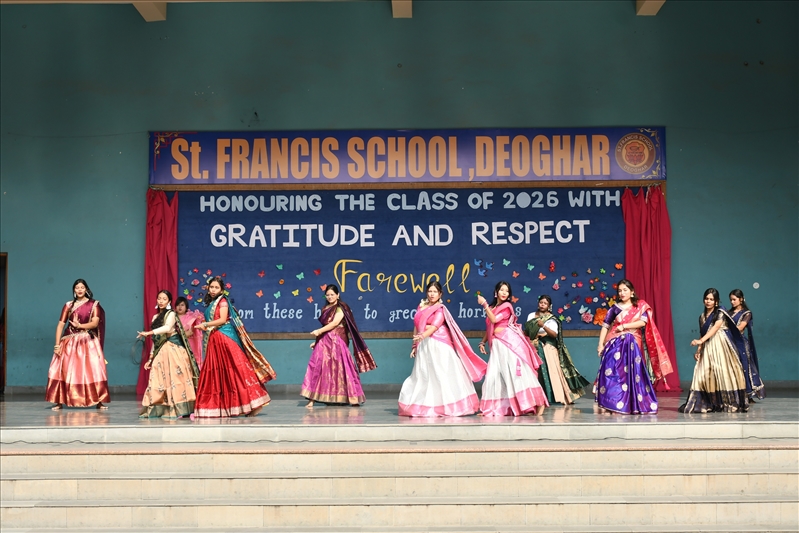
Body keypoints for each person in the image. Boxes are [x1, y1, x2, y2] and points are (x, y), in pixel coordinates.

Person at [398, 281, 487, 417]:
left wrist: (422, 335)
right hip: (424, 345)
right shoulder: (421, 307)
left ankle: (450, 406)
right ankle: (428, 405)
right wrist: (415, 345)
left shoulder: (440, 309)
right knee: (425, 376)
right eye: (430, 291)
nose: (432, 294)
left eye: (435, 292)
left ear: (440, 294)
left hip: (439, 345)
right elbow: (417, 325)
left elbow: (435, 326)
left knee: (441, 375)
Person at [193, 276, 276, 417]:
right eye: (211, 287)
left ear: (222, 290)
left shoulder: (223, 301)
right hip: (215, 340)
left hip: (225, 338)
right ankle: (226, 406)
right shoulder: (212, 303)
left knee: (238, 370)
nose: (213, 290)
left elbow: (222, 320)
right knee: (221, 374)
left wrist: (205, 324)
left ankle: (256, 403)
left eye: (216, 287)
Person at [595, 279, 672, 414]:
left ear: (632, 292)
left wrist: (624, 326)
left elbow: (643, 322)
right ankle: (612, 403)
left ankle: (630, 404)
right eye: (620, 290)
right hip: (614, 343)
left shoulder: (640, 306)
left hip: (632, 345)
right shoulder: (614, 308)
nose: (622, 293)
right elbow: (605, 326)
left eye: (625, 290)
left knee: (629, 374)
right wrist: (600, 345)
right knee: (612, 371)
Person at [477, 281, 548, 416]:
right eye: (502, 290)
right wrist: (482, 342)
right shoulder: (492, 307)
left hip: (509, 343)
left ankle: (539, 402)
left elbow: (494, 320)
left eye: (507, 291)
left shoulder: (506, 307)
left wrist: (484, 304)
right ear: (496, 292)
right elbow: (490, 326)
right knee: (493, 376)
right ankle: (491, 408)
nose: (504, 293)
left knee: (517, 375)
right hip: (497, 345)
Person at [302, 284, 376, 408]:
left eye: (332, 294)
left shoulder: (341, 308)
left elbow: (335, 323)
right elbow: (326, 327)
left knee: (343, 369)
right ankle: (312, 400)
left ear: (338, 295)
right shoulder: (325, 308)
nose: (330, 297)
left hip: (337, 342)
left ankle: (353, 398)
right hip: (324, 342)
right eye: (327, 295)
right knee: (318, 367)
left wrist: (318, 331)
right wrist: (317, 340)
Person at [680, 288, 748, 413]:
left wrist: (700, 341)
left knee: (723, 373)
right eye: (706, 299)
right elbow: (703, 333)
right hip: (708, 346)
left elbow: (716, 327)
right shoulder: (702, 317)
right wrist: (699, 350)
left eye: (711, 299)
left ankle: (728, 402)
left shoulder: (720, 312)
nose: (708, 301)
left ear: (716, 301)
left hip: (721, 345)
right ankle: (708, 403)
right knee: (704, 373)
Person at [45, 279, 109, 410]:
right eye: (77, 287)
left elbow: (95, 323)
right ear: (74, 290)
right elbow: (60, 325)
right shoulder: (68, 305)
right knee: (64, 370)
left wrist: (80, 326)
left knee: (95, 369)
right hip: (69, 342)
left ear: (86, 289)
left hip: (88, 341)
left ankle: (99, 401)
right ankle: (59, 401)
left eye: (82, 287)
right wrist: (57, 345)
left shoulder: (94, 305)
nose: (79, 290)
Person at [137, 290, 200, 418]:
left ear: (169, 302)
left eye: (164, 299)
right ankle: (162, 408)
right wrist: (150, 358)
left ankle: (179, 408)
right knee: (158, 379)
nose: (161, 301)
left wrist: (149, 333)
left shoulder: (171, 314)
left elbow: (167, 328)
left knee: (176, 379)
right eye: (159, 298)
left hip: (173, 349)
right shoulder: (155, 317)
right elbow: (156, 340)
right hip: (161, 351)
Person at [524, 295, 590, 405]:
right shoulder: (531, 315)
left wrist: (543, 326)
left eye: (545, 303)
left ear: (549, 306)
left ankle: (554, 397)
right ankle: (535, 398)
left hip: (547, 347)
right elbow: (528, 330)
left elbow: (554, 334)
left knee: (551, 372)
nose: (542, 305)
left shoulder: (551, 319)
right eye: (541, 302)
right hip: (532, 346)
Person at [729, 289, 765, 400]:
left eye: (734, 299)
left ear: (741, 299)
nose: (732, 302)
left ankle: (748, 394)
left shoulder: (746, 313)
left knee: (744, 367)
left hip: (740, 343)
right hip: (729, 342)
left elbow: (740, 327)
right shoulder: (729, 313)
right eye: (731, 300)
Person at [175, 296, 204, 369]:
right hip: (174, 345)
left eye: (182, 305)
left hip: (188, 344)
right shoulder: (172, 317)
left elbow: (190, 332)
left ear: (186, 307)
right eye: (178, 305)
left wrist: (177, 337)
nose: (180, 307)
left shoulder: (190, 318)